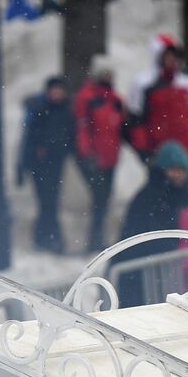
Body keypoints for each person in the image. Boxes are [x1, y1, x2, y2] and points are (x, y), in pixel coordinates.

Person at [111, 141, 188, 307]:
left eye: (182, 170)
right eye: (174, 170)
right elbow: (148, 236)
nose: (179, 175)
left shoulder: (177, 196)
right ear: (163, 171)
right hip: (137, 272)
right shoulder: (152, 196)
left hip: (155, 272)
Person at [128, 34, 188, 165]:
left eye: (175, 56)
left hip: (185, 150)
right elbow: (137, 121)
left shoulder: (187, 84)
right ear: (158, 57)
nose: (173, 60)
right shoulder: (144, 84)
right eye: (168, 56)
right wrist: (142, 149)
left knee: (187, 185)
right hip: (158, 152)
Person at [17, 76, 77, 253]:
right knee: (47, 201)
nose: (57, 93)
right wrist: (23, 166)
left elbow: (70, 137)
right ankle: (50, 238)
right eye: (55, 90)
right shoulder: (39, 110)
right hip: (39, 164)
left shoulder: (66, 111)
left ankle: (47, 237)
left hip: (56, 163)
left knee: (51, 202)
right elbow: (27, 140)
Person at [74, 56, 127, 253]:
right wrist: (87, 153)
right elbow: (83, 127)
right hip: (95, 159)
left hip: (111, 158)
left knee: (104, 201)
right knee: (98, 201)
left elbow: (122, 126)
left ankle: (98, 239)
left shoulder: (115, 100)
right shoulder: (87, 97)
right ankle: (93, 240)